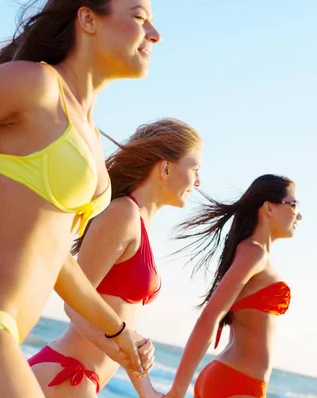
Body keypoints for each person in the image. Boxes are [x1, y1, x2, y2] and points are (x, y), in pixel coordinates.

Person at [0, 0, 160, 396]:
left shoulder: (88, 132)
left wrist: (118, 331)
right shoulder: (34, 85)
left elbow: (54, 255)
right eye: (140, 18)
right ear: (88, 19)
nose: (154, 34)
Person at [29, 118, 202, 397]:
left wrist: (148, 390)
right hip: (66, 376)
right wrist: (122, 345)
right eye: (195, 168)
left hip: (83, 380)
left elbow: (121, 321)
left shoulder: (139, 221)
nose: (198, 181)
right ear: (166, 167)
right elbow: (74, 303)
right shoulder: (123, 214)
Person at [165, 175, 302, 398]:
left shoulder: (256, 254)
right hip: (237, 383)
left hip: (236, 381)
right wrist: (178, 389)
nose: (299, 215)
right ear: (268, 208)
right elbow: (210, 317)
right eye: (293, 205)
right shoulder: (253, 253)